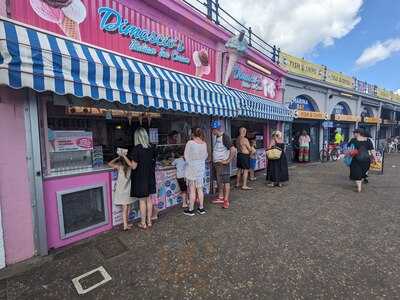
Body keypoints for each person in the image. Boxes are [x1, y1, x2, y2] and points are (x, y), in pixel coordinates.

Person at [128, 128, 157, 229]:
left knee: (142, 201)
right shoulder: (151, 147)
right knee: (149, 199)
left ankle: (143, 223)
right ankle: (149, 221)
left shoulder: (136, 149)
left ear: (137, 137)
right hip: (150, 177)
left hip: (140, 178)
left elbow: (133, 166)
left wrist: (124, 157)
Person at [183, 128, 208, 216]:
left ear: (192, 134)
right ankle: (201, 208)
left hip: (192, 168)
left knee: (192, 190)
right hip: (201, 168)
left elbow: (185, 156)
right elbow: (206, 156)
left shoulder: (190, 143)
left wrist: (191, 161)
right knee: (200, 189)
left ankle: (191, 210)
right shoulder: (204, 143)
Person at [211, 120, 236, 209]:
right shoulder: (218, 137)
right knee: (220, 181)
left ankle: (226, 201)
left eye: (212, 129)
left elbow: (233, 149)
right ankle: (221, 197)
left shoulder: (225, 137)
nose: (212, 131)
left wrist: (228, 160)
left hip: (222, 164)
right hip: (218, 164)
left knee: (226, 182)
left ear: (216, 129)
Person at [108, 154, 134, 231]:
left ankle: (125, 224)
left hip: (121, 190)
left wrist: (117, 157)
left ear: (121, 162)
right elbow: (131, 164)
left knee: (125, 208)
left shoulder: (119, 167)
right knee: (128, 206)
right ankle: (126, 224)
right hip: (128, 190)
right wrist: (125, 157)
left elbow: (109, 163)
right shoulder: (130, 168)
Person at [348, 128, 374, 193]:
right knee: (360, 174)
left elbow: (348, 148)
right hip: (365, 160)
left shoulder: (353, 140)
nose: (353, 134)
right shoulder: (368, 140)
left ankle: (359, 186)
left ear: (358, 133)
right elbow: (372, 150)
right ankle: (359, 187)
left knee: (358, 174)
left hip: (357, 159)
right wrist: (375, 158)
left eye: (354, 133)